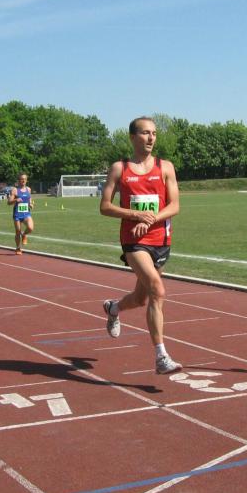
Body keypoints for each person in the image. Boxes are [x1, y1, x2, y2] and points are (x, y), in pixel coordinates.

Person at [100, 116, 182, 375]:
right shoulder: (119, 169)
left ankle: (113, 308)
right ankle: (161, 357)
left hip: (161, 241)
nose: (151, 138)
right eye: (146, 133)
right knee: (158, 290)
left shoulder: (165, 167)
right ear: (133, 137)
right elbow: (104, 206)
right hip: (134, 242)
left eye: (154, 133)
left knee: (140, 298)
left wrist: (150, 219)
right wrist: (135, 215)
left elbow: (175, 205)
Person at [8, 173, 35, 255]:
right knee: (17, 232)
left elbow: (29, 198)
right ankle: (18, 248)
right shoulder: (15, 190)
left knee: (30, 228)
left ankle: (24, 235)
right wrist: (15, 200)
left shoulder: (28, 189)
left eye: (25, 179)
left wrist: (30, 204)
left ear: (26, 180)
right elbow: (9, 202)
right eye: (22, 179)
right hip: (17, 214)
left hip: (26, 213)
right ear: (19, 180)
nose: (23, 180)